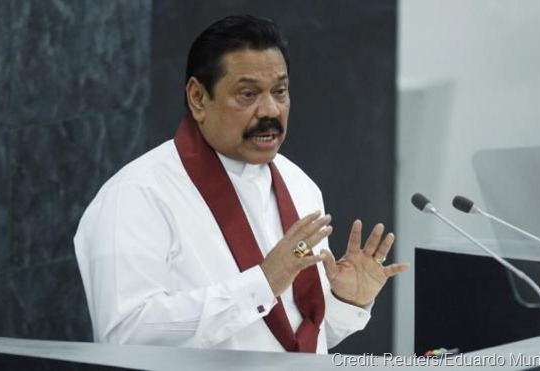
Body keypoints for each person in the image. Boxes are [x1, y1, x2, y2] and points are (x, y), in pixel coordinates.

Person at [74, 14, 409, 354]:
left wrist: (345, 301)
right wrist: (262, 283)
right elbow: (124, 336)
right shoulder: (137, 195)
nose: (270, 110)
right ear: (198, 98)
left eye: (280, 91)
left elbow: (294, 339)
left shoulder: (300, 184)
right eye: (248, 94)